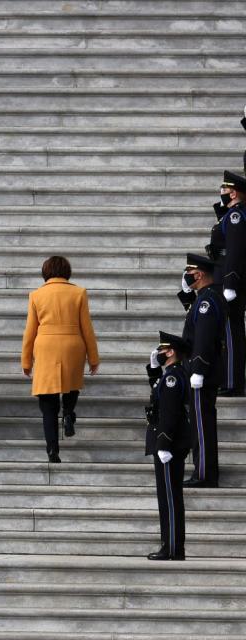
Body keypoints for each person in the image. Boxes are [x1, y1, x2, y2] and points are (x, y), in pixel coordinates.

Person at [21, 256, 100, 463]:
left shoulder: (36, 295)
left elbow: (30, 331)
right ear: (67, 271)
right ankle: (68, 411)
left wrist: (26, 360)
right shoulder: (78, 292)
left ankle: (52, 450)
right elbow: (87, 328)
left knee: (48, 404)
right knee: (71, 384)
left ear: (45, 272)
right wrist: (93, 357)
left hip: (46, 346)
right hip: (73, 344)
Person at [144, 331, 194, 561]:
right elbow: (158, 392)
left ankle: (172, 548)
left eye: (162, 351)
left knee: (170, 498)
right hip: (170, 442)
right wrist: (154, 369)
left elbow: (170, 412)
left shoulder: (173, 377)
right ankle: (171, 546)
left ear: (171, 352)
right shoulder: (172, 374)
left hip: (169, 444)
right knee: (167, 497)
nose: (160, 353)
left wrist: (163, 442)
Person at [181, 253, 227, 488]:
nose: (186, 278)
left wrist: (197, 368)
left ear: (198, 275)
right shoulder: (205, 297)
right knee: (202, 423)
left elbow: (204, 338)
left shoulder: (208, 301)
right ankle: (205, 472)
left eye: (189, 274)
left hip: (203, 372)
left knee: (201, 425)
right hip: (204, 371)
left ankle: (204, 474)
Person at [208, 171, 246, 396]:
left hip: (230, 280)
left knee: (232, 332)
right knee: (228, 332)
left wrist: (230, 282)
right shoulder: (231, 214)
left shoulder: (236, 216)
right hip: (224, 275)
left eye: (223, 189)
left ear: (232, 192)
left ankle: (232, 381)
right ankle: (229, 378)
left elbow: (234, 252)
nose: (220, 193)